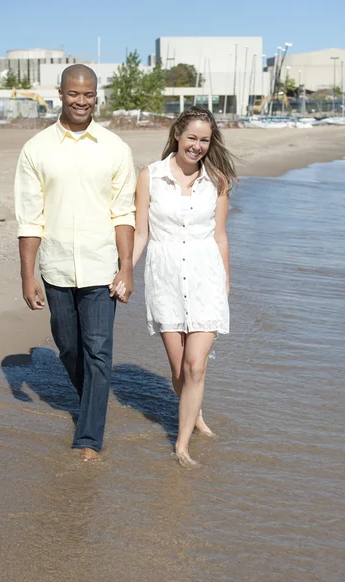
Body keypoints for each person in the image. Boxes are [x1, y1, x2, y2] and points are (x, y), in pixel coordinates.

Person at [14, 64, 135, 462]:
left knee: (98, 350)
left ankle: (88, 438)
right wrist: (26, 274)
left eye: (88, 94)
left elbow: (123, 215)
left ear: (96, 95)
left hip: (103, 267)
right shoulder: (37, 149)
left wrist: (127, 267)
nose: (81, 101)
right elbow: (31, 218)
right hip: (57, 267)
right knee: (69, 348)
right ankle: (93, 401)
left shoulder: (116, 148)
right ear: (60, 94)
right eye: (73, 94)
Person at [131, 106, 236, 467]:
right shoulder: (151, 176)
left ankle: (181, 445)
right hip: (165, 281)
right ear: (177, 134)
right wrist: (124, 270)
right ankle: (197, 415)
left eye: (205, 139)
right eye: (192, 137)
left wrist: (226, 281)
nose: (197, 145)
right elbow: (141, 234)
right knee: (179, 372)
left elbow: (220, 237)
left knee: (195, 367)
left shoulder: (218, 180)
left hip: (206, 279)